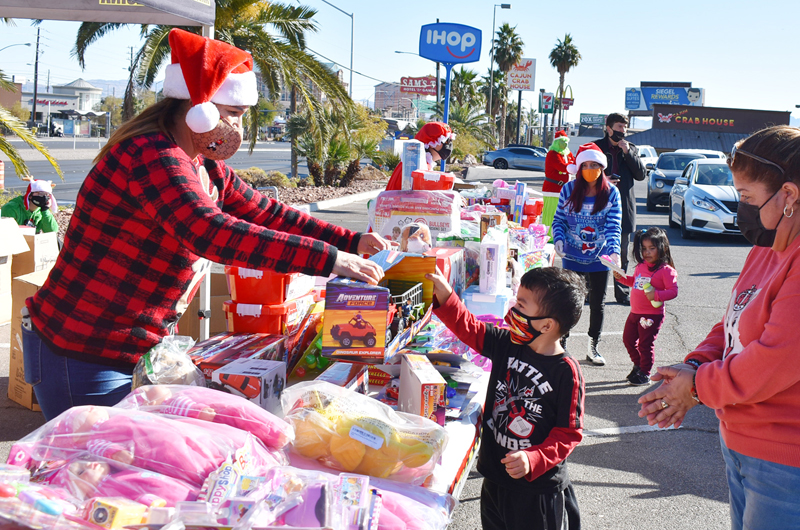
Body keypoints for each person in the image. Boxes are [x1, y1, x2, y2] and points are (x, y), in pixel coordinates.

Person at [21, 29, 394, 421]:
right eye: (233, 114)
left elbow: (265, 211)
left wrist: (350, 241)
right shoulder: (152, 155)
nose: (238, 128)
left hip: (125, 347)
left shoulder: (202, 164)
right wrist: (328, 259)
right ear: (201, 108)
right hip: (84, 348)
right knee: (91, 470)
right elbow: (209, 231)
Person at [638, 125, 800, 530]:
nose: (739, 207)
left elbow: (772, 361)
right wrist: (694, 366)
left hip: (785, 463)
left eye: (746, 197)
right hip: (741, 443)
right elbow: (732, 321)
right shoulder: (768, 249)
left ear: (789, 195)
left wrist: (695, 387)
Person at [426, 266, 586, 530]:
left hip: (537, 492)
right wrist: (446, 296)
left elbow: (568, 433)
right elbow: (472, 329)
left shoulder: (566, 372)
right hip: (496, 479)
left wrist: (533, 458)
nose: (513, 309)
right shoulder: (508, 342)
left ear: (546, 325)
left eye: (521, 304)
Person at [552, 143, 622, 365]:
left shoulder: (611, 193)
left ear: (602, 167)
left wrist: (614, 253)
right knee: (567, 301)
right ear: (579, 167)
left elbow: (614, 226)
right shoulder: (568, 190)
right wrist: (559, 239)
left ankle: (594, 346)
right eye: (586, 165)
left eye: (595, 165)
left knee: (597, 304)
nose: (590, 169)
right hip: (571, 256)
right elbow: (559, 220)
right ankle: (562, 344)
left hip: (599, 258)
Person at [612, 227, 678, 385]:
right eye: (644, 249)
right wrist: (621, 278)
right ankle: (638, 365)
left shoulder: (666, 271)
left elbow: (673, 291)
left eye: (652, 248)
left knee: (645, 344)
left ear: (662, 248)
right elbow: (634, 282)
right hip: (635, 312)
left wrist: (656, 295)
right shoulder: (641, 266)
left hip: (651, 315)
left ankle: (645, 372)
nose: (647, 252)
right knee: (628, 340)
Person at [593, 113, 646, 305]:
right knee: (594, 248)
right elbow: (584, 172)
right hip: (598, 206)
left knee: (622, 253)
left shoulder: (630, 148)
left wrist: (628, 153)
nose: (622, 131)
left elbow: (641, 175)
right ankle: (592, 293)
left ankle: (622, 292)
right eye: (619, 127)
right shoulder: (596, 147)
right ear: (608, 128)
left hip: (623, 208)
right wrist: (604, 180)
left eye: (625, 128)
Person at [385, 122, 455, 190]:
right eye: (446, 141)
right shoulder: (415, 163)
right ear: (431, 142)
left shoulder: (422, 162)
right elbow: (414, 195)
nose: (449, 145)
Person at [542, 130, 575, 239]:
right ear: (556, 142)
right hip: (553, 189)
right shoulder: (552, 154)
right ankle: (549, 237)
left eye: (566, 141)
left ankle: (560, 235)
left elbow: (574, 162)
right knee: (551, 213)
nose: (565, 144)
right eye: (562, 141)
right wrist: (574, 167)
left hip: (565, 189)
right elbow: (562, 167)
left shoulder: (568, 153)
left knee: (563, 215)